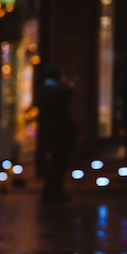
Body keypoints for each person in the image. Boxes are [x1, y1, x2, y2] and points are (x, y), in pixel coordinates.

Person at [38, 64, 79, 203]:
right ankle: (54, 193)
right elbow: (61, 109)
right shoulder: (53, 91)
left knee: (56, 163)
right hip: (58, 133)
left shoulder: (48, 90)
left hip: (53, 133)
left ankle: (50, 193)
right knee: (58, 164)